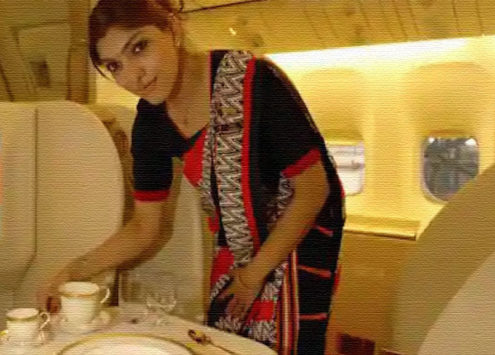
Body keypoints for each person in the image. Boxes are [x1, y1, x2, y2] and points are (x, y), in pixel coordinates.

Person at [37, 0, 345, 353]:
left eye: (140, 47)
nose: (133, 76)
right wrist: (71, 272)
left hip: (298, 239)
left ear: (174, 28)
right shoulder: (151, 123)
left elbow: (313, 191)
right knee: (219, 342)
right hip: (237, 243)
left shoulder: (253, 82)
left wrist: (254, 274)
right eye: (115, 65)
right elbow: (145, 227)